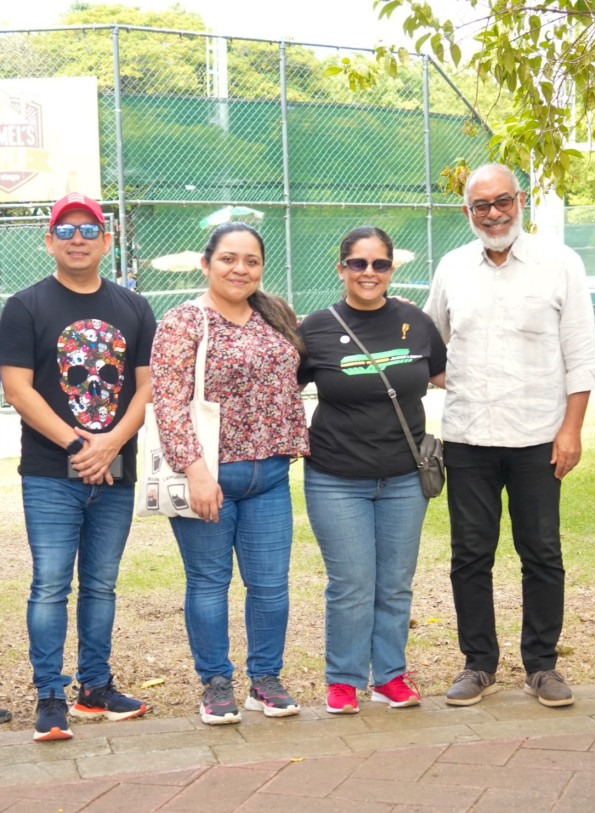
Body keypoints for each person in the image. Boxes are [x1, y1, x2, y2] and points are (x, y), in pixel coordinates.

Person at [424, 164, 595, 708]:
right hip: (468, 439)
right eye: (482, 206)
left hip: (537, 438)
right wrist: (468, 382)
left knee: (542, 553)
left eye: (503, 201)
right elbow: (432, 348)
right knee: (470, 556)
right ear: (467, 212)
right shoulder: (453, 267)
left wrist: (570, 430)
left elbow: (582, 356)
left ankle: (542, 667)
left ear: (520, 201)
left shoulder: (560, 264)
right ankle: (478, 664)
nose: (494, 213)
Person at [0, 192, 155, 741]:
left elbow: (146, 387)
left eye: (89, 229)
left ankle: (95, 688)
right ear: (49, 242)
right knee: (49, 585)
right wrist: (77, 447)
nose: (78, 239)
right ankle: (49, 694)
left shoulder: (134, 307)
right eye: (66, 230)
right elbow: (17, 389)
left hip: (115, 470)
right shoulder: (24, 306)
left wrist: (110, 444)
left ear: (106, 241)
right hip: (49, 472)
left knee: (102, 586)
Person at [150, 222, 309, 726]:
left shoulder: (275, 314)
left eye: (252, 260)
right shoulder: (184, 322)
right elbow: (168, 403)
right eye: (228, 259)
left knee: (270, 585)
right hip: (211, 476)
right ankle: (216, 683)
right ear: (207, 263)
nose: (241, 269)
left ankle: (265, 680)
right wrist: (195, 472)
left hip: (271, 477)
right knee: (209, 582)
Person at [297, 226, 447, 714]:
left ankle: (389, 675)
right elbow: (281, 391)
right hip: (336, 478)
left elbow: (445, 374)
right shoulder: (316, 328)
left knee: (396, 581)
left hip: (405, 477)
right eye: (358, 264)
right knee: (352, 582)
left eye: (379, 264)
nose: (369, 273)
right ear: (341, 268)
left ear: (391, 269)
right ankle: (343, 679)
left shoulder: (416, 322)